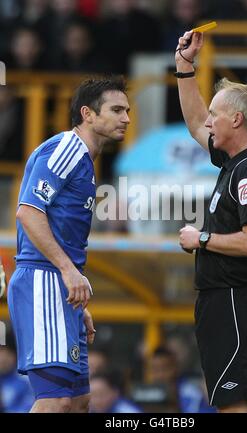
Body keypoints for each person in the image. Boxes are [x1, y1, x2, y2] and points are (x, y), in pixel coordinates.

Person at [7, 76, 130, 413]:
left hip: (61, 289)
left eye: (128, 110)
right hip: (44, 280)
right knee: (55, 400)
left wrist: (74, 297)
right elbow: (29, 212)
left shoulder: (85, 161)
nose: (126, 118)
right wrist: (66, 271)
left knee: (78, 402)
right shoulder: (66, 149)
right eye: (116, 110)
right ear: (87, 114)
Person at [175, 31, 247, 413]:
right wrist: (185, 68)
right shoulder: (236, 160)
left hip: (237, 300)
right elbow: (193, 121)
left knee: (236, 407)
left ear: (236, 120)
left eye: (216, 116)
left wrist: (201, 238)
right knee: (228, 404)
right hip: (223, 301)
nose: (208, 123)